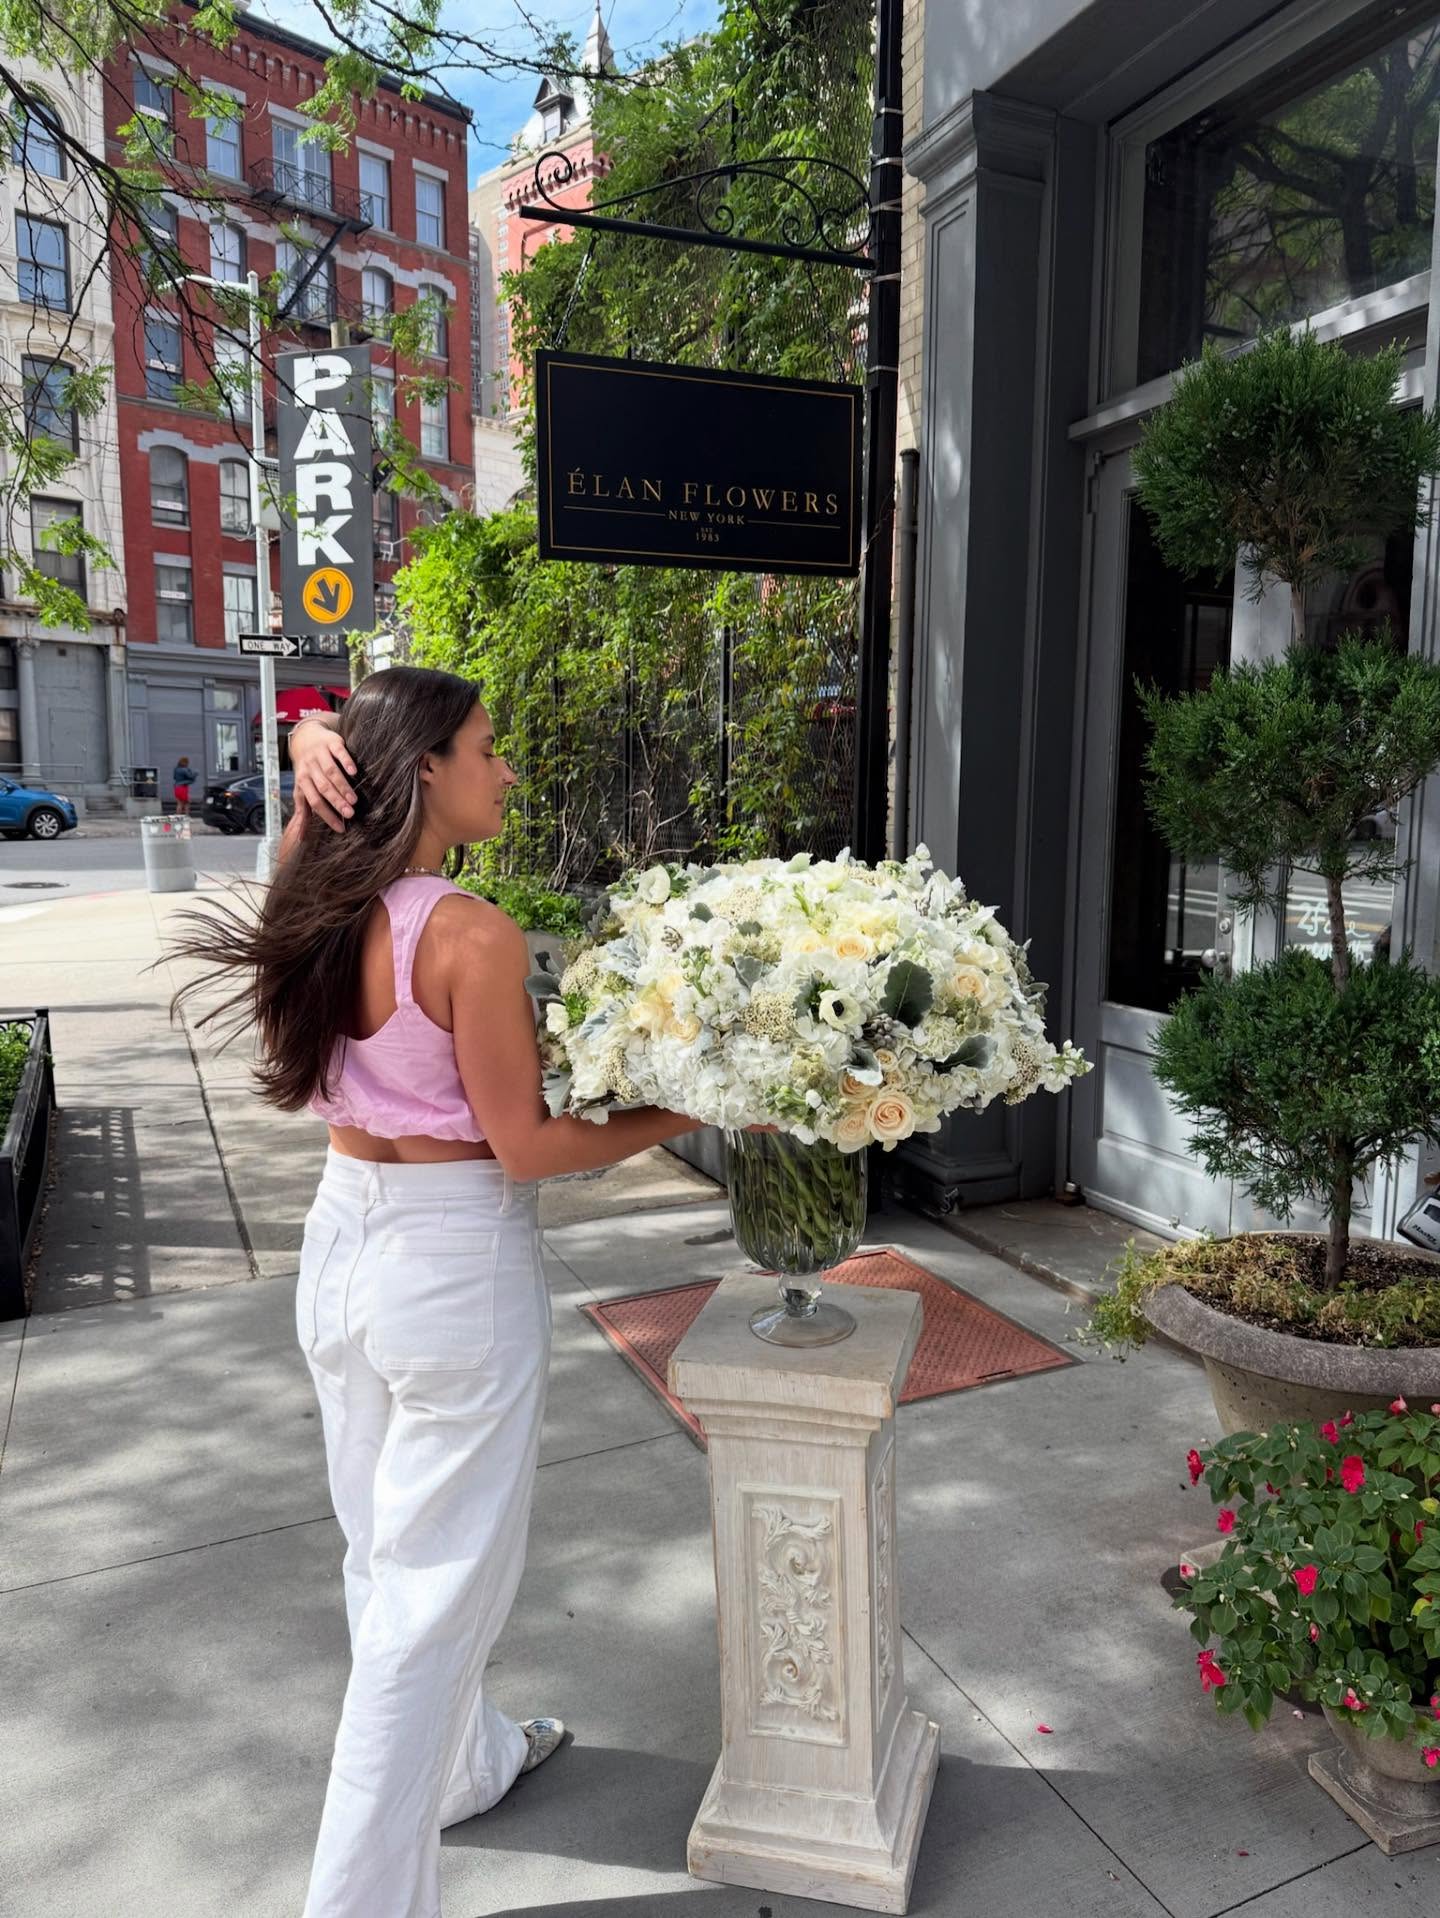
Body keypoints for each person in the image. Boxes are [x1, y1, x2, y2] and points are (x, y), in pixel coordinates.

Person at [168, 666, 739, 1918]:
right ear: (423, 766)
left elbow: (309, 819)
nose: (507, 769)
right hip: (449, 1268)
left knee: (388, 1553)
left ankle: (466, 1765)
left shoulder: (312, 893)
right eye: (489, 747)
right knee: (434, 1590)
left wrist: (316, 746)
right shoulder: (465, 932)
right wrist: (695, 1103)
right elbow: (526, 1146)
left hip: (342, 1249)